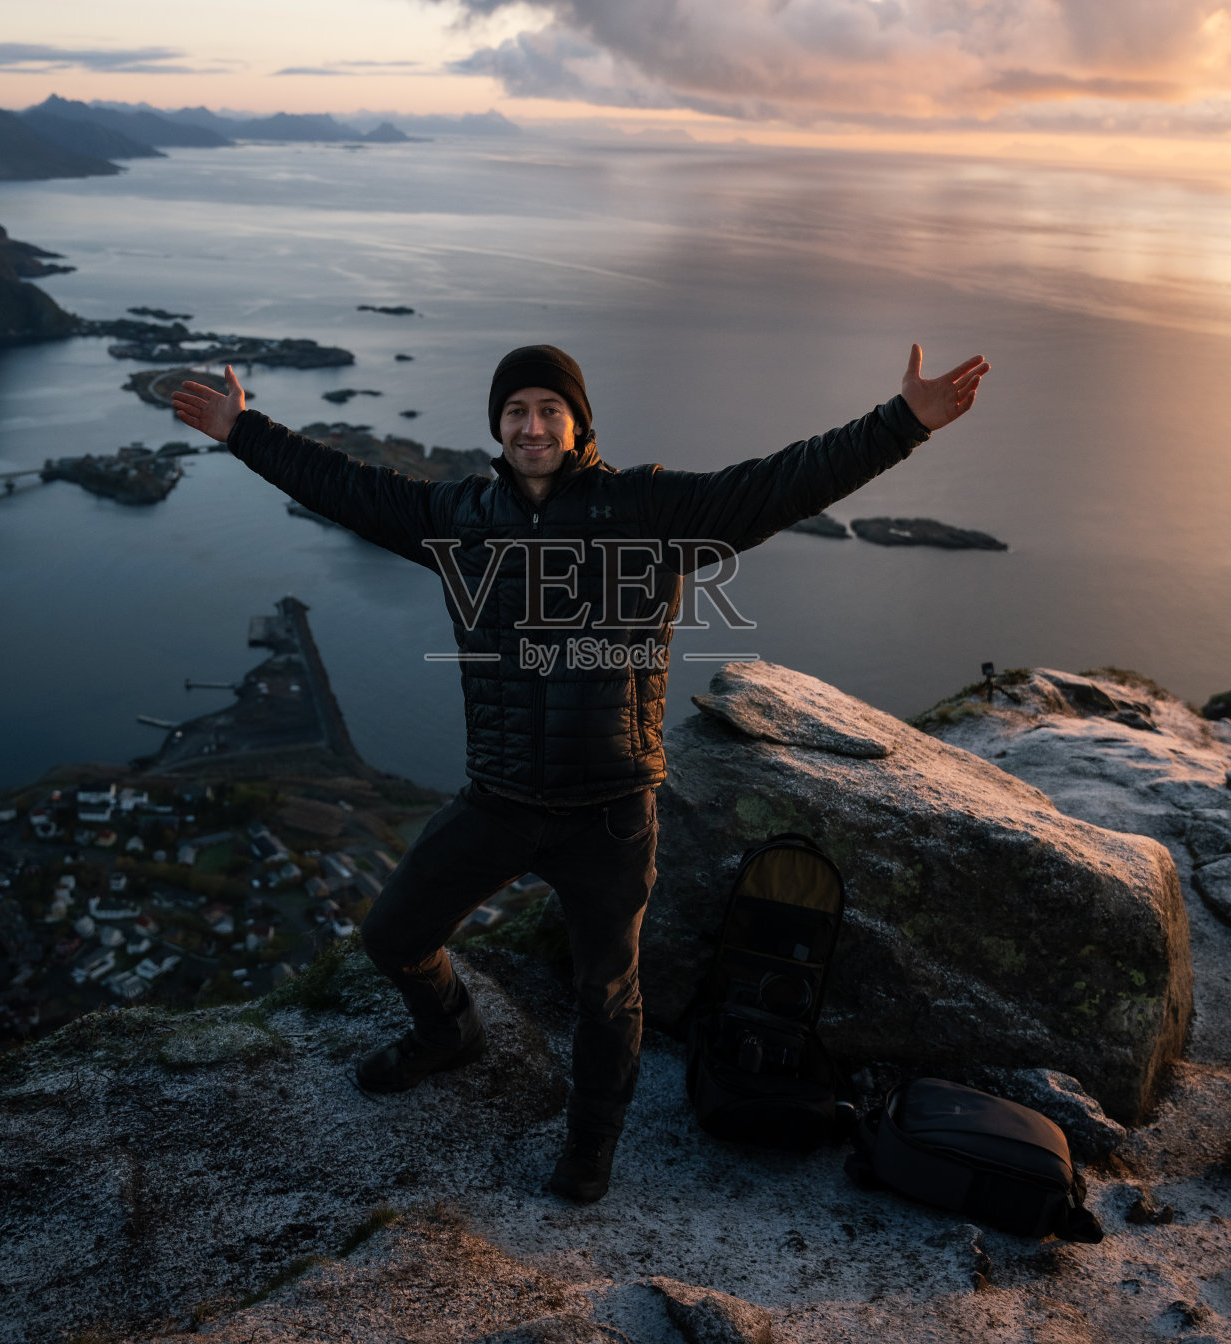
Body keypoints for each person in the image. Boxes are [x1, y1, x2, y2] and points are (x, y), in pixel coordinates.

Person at [172, 341, 988, 1202]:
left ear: (578, 422)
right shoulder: (458, 517)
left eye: (549, 410)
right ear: (498, 425)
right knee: (394, 938)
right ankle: (449, 1032)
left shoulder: (647, 509)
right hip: (498, 800)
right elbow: (343, 485)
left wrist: (902, 423)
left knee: (606, 993)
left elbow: (780, 484)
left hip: (610, 811)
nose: (532, 426)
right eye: (516, 411)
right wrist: (244, 431)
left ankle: (592, 1139)